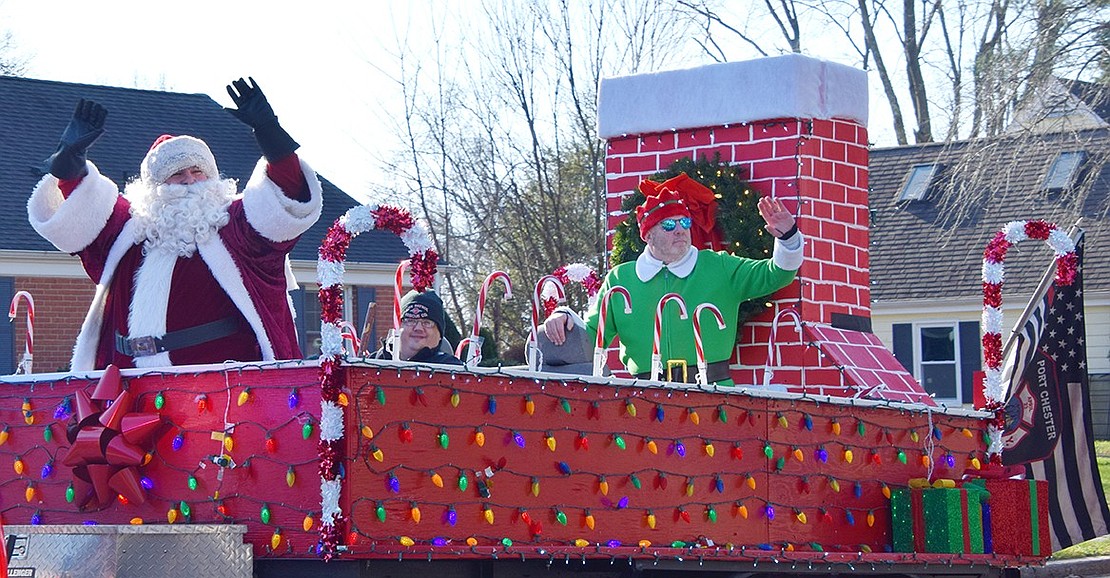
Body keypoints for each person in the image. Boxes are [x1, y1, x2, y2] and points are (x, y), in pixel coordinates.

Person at [28, 78, 322, 370]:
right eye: (177, 174)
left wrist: (270, 133)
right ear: (155, 186)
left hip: (220, 386)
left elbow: (286, 194)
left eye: (198, 171)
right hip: (130, 382)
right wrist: (70, 156)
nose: (190, 180)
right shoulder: (128, 230)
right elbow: (81, 207)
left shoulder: (236, 226)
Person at [544, 181, 803, 385]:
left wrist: (789, 238)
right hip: (646, 403)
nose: (680, 229)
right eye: (668, 224)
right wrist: (563, 318)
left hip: (713, 398)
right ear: (648, 235)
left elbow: (777, 274)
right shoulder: (621, 279)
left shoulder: (718, 267)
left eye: (685, 222)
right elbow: (591, 336)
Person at [368, 290, 463, 365]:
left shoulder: (454, 372)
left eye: (427, 322)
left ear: (440, 335)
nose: (418, 328)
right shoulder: (371, 365)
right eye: (411, 321)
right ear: (398, 327)